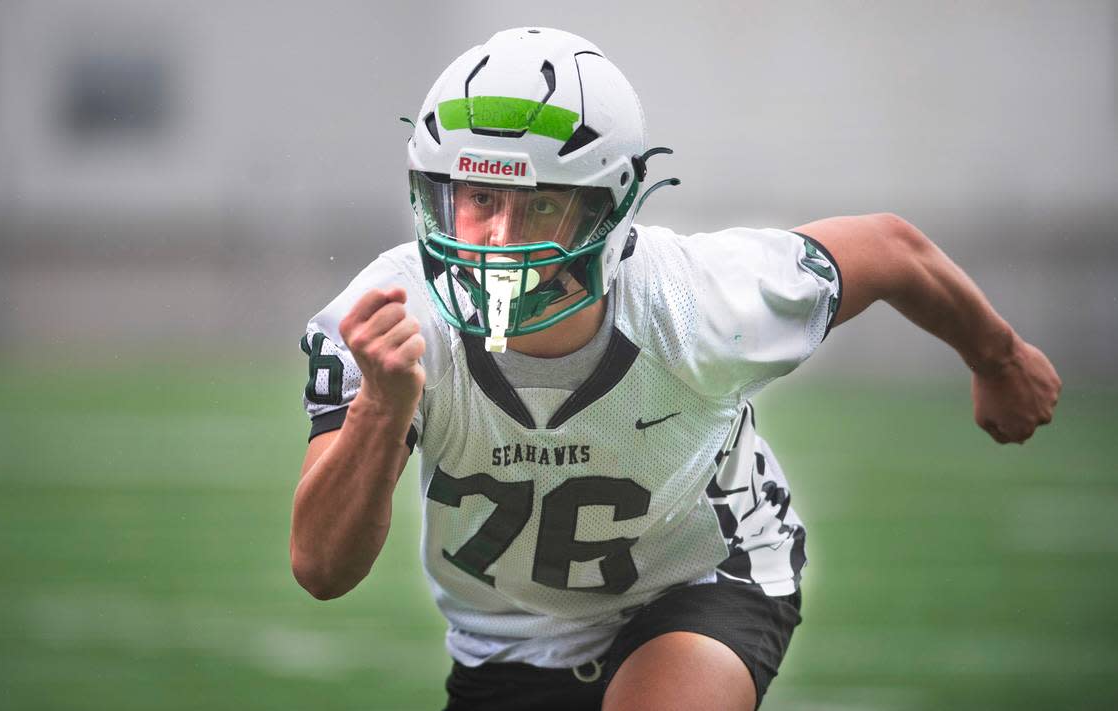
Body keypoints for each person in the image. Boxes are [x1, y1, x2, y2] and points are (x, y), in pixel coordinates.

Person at [289, 27, 1061, 711]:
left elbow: (892, 250)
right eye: (480, 197)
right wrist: (383, 410)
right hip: (503, 638)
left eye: (542, 206)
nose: (500, 239)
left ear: (612, 208)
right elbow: (321, 567)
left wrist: (998, 356)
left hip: (704, 576)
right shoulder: (387, 324)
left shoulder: (695, 302)